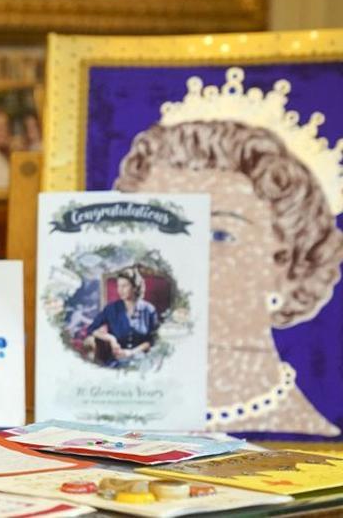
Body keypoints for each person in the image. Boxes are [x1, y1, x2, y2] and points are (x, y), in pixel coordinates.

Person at [116, 120, 343, 436]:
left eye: (219, 235)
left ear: (285, 261)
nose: (174, 262)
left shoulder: (309, 439)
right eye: (156, 232)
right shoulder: (98, 419)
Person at [83, 270, 158, 366]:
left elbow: (153, 340)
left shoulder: (149, 310)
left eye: (124, 286)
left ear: (135, 287)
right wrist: (111, 339)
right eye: (118, 286)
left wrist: (131, 353)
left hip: (142, 360)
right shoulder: (111, 308)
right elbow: (91, 329)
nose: (120, 290)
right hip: (117, 361)